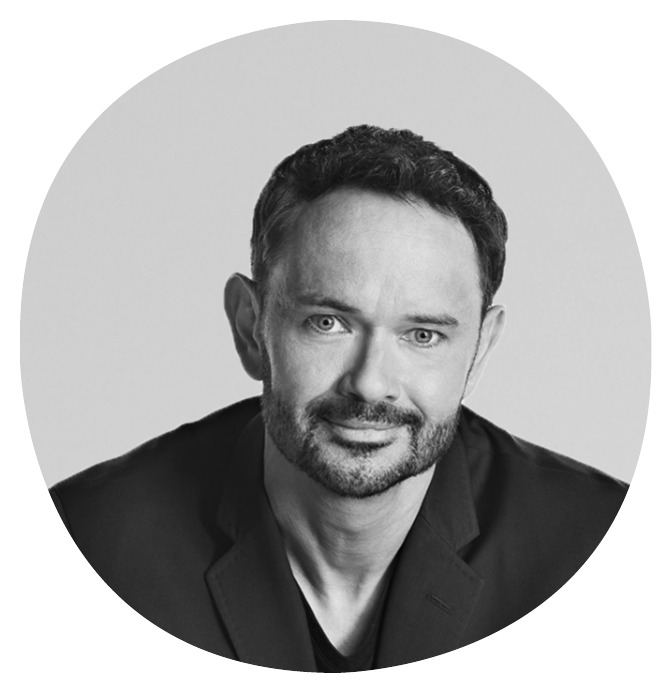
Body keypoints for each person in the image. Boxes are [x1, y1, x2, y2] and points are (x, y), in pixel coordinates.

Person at [50, 125, 628, 672]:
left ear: (479, 349)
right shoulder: (85, 547)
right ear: (251, 328)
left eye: (422, 335)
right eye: (327, 323)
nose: (370, 383)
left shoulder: (602, 550)